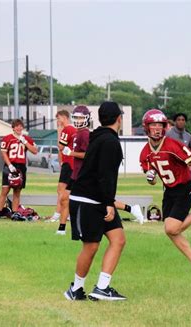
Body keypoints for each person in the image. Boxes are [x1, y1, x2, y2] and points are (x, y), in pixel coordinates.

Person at [65, 101, 127, 301]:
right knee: (91, 246)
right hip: (88, 199)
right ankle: (76, 290)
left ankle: (102, 287)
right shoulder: (109, 141)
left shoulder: (101, 136)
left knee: (118, 240)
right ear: (119, 118)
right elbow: (105, 175)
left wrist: (106, 201)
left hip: (98, 198)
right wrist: (109, 203)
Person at [140, 109, 191, 266]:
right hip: (169, 190)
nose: (156, 128)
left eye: (159, 125)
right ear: (146, 127)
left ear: (164, 127)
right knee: (171, 231)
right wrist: (151, 179)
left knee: (172, 228)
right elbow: (153, 180)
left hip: (184, 186)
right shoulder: (145, 153)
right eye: (153, 125)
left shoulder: (172, 144)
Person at [65, 105, 144, 224]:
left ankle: (62, 225)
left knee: (69, 198)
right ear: (119, 119)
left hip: (85, 181)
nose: (78, 121)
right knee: (66, 198)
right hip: (82, 179)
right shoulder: (97, 135)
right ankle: (62, 225)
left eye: (80, 118)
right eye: (76, 118)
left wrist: (71, 153)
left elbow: (94, 162)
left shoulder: (92, 136)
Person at [0, 119, 37, 219]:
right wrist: (9, 165)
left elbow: (35, 151)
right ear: (13, 127)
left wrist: (25, 142)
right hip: (10, 165)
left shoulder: (26, 138)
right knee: (5, 190)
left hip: (21, 166)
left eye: (20, 126)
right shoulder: (7, 138)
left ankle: (15, 213)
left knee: (17, 191)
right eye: (17, 126)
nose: (19, 128)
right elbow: (3, 153)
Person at [52, 110, 76, 235]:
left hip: (69, 164)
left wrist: (59, 132)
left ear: (64, 118)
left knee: (61, 190)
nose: (58, 121)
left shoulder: (67, 130)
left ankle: (58, 214)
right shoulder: (74, 130)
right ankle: (64, 214)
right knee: (67, 192)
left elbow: (60, 146)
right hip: (71, 163)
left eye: (59, 118)